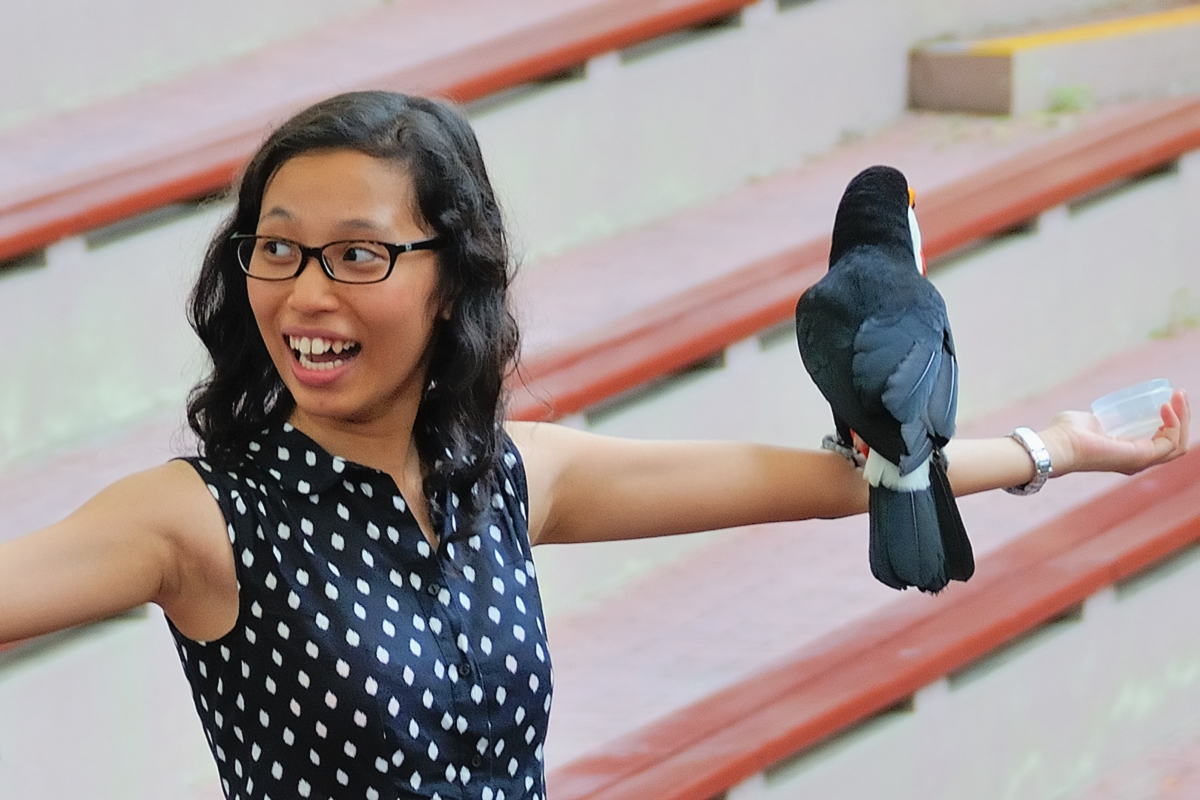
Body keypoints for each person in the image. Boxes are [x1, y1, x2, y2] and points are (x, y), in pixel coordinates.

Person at [0, 91, 1189, 800]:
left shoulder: (507, 473)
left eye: (358, 253)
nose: (305, 292)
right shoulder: (195, 518)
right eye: (277, 248)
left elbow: (827, 484)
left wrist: (1056, 447)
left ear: (452, 280)